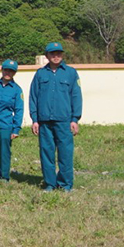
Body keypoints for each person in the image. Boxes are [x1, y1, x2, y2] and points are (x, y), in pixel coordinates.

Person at [29, 42, 82, 191]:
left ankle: (65, 184)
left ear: (62, 55)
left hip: (64, 120)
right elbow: (33, 97)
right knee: (46, 153)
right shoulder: (40, 74)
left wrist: (75, 119)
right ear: (47, 56)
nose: (56, 56)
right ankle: (50, 183)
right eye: (52, 54)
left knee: (65, 153)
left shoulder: (71, 73)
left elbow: (76, 96)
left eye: (59, 53)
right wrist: (35, 120)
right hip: (44, 121)